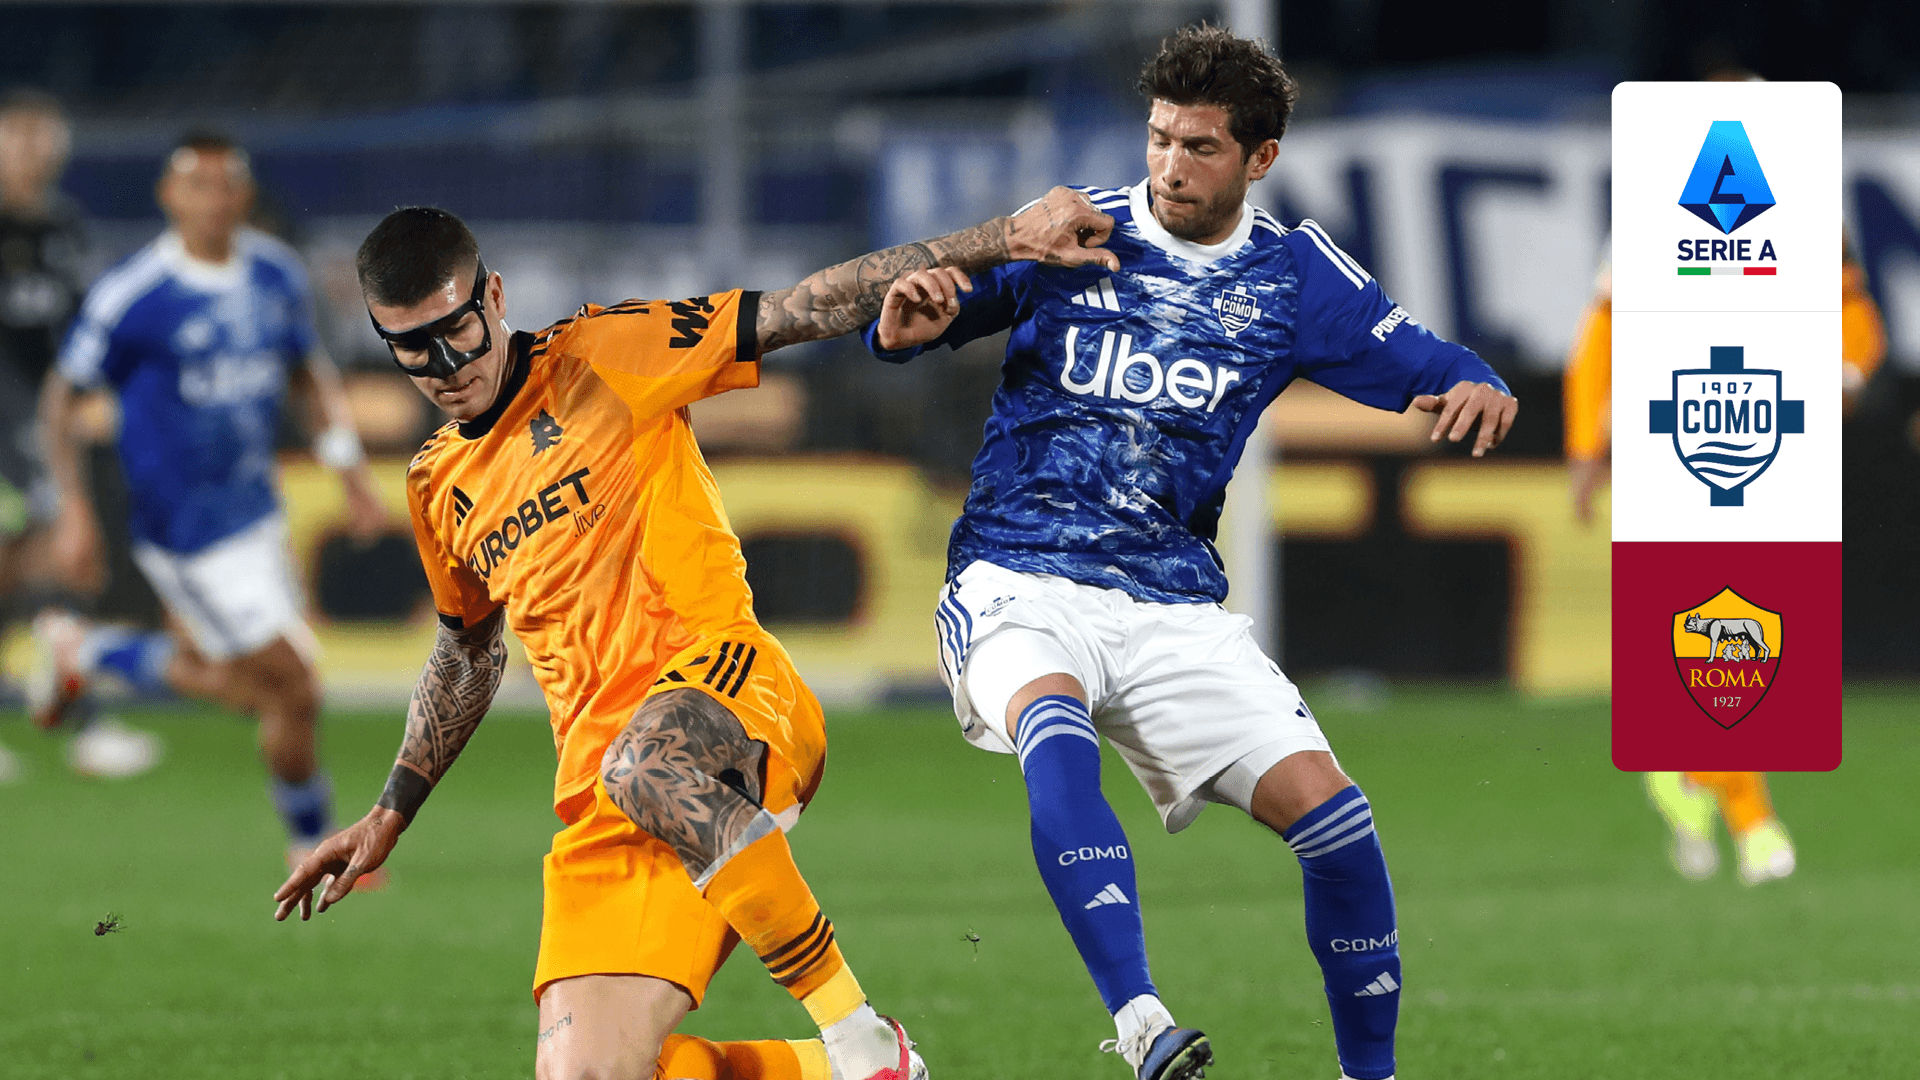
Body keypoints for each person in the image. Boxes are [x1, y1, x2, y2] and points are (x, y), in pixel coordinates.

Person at [270, 195, 1114, 1080]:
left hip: (725, 690)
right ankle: (862, 1073)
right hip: (601, 794)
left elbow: (802, 307)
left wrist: (1000, 239)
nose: (447, 364)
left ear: (495, 297)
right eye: (414, 347)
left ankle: (855, 1035)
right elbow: (466, 654)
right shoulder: (437, 483)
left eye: (457, 330)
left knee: (645, 764)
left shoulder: (606, 353)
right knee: (593, 1076)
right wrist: (390, 811)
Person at [862, 25, 1516, 1080]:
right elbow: (922, 315)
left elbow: (1428, 359)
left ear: (1260, 158)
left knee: (1339, 825)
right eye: (1160, 137)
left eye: (1200, 146)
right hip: (1018, 576)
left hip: (1172, 606)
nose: (1170, 165)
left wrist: (1477, 379)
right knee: (1054, 731)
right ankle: (1141, 1023)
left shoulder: (1292, 276)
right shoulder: (1072, 228)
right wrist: (906, 322)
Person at [1562, 68, 1888, 888]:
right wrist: (1586, 443)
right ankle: (1754, 820)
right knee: (1719, 621)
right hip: (1673, 439)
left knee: (1745, 629)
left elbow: (1856, 314)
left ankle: (1686, 770)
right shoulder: (1656, 222)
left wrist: (1846, 370)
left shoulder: (1807, 219)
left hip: (1767, 439)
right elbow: (1601, 334)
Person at [37, 130, 389, 865]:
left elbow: (308, 375)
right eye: (196, 185)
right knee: (294, 686)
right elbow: (60, 397)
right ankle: (311, 845)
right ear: (168, 196)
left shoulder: (275, 273)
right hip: (187, 528)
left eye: (226, 184)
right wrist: (73, 506)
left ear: (244, 194)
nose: (213, 200)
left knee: (242, 684)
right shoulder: (136, 293)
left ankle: (89, 649)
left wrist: (350, 473)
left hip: (258, 510)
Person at [0, 86, 157, 781]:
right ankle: (84, 721)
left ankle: (82, 718)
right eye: (19, 138)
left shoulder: (62, 228)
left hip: (44, 422)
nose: (33, 153)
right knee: (44, 558)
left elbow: (78, 331)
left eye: (44, 139)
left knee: (52, 559)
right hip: (10, 421)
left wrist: (94, 395)